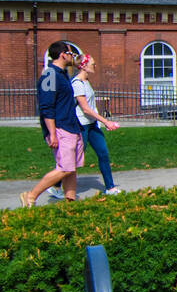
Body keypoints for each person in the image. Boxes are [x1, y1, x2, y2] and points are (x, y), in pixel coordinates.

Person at [21, 41, 84, 207]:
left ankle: (70, 202)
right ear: (63, 54)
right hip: (61, 127)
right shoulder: (50, 74)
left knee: (72, 168)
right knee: (65, 168)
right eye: (71, 53)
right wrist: (52, 133)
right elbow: (46, 107)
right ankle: (31, 195)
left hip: (71, 126)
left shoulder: (62, 73)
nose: (73, 57)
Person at [72, 54, 123, 195]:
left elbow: (91, 107)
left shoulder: (86, 81)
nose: (95, 66)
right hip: (82, 125)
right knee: (75, 158)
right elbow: (85, 109)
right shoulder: (77, 83)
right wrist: (106, 121)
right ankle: (57, 185)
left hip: (92, 125)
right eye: (92, 63)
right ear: (83, 65)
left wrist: (101, 122)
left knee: (103, 153)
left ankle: (110, 187)